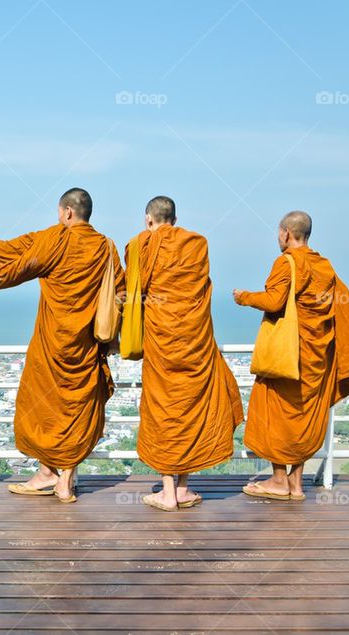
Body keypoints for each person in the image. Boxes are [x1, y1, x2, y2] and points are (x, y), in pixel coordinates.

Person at [0, 188, 123, 503]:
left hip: (51, 345)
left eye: (58, 212)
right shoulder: (106, 248)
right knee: (78, 410)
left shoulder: (55, 240)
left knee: (39, 404)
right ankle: (61, 479)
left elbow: (15, 256)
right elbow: (120, 294)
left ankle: (47, 472)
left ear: (68, 212)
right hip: (87, 346)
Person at [234, 210, 349, 501]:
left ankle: (279, 481)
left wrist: (244, 296)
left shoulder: (286, 262)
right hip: (317, 356)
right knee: (304, 417)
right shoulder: (324, 266)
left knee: (274, 414)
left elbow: (274, 301)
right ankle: (296, 486)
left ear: (285, 233)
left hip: (288, 356)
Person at [128, 196, 243, 511]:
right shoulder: (197, 243)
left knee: (163, 411)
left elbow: (132, 289)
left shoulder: (139, 245)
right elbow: (202, 288)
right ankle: (182, 488)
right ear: (174, 220)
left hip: (160, 344)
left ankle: (167, 493)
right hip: (194, 344)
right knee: (190, 409)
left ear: (148, 220)